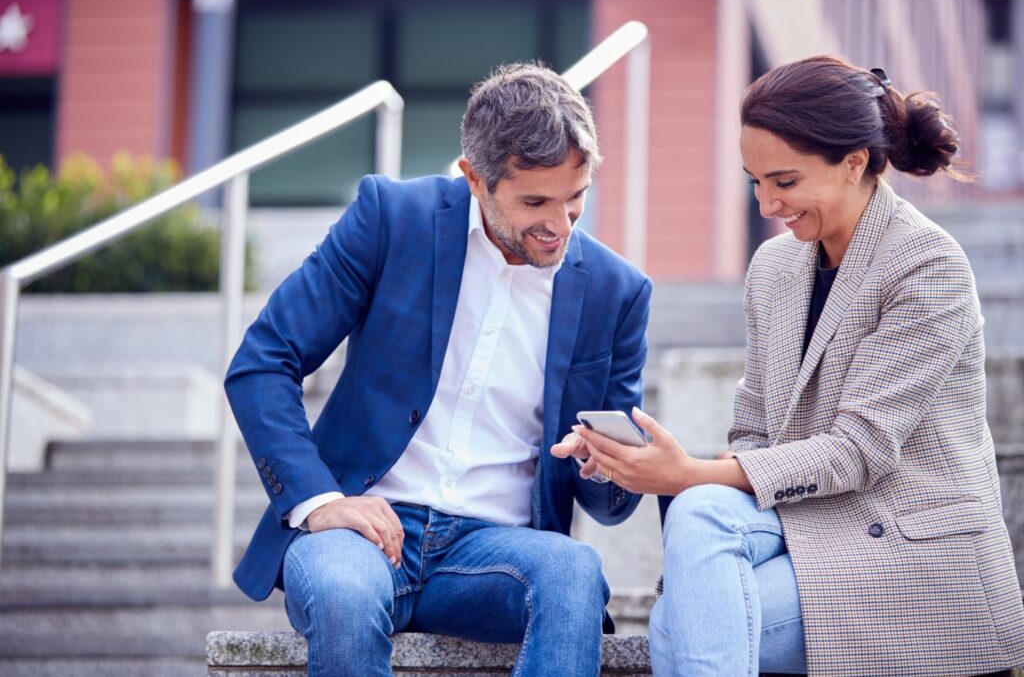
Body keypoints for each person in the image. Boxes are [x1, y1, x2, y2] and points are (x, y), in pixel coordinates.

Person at [555, 56, 1024, 676]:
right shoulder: (775, 269)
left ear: (855, 161)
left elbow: (859, 451)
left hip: (908, 552)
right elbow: (753, 433)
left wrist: (687, 471)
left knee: (678, 618)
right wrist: (644, 465)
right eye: (754, 182)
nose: (768, 202)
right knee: (696, 511)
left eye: (785, 181)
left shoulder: (926, 265)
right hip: (806, 524)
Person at [225, 62, 651, 677]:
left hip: (493, 554)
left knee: (574, 570)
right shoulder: (390, 218)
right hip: (361, 530)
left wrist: (609, 462)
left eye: (576, 199)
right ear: (475, 179)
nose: (559, 225)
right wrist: (320, 502)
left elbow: (608, 505)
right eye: (535, 201)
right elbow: (264, 360)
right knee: (343, 595)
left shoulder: (617, 291)